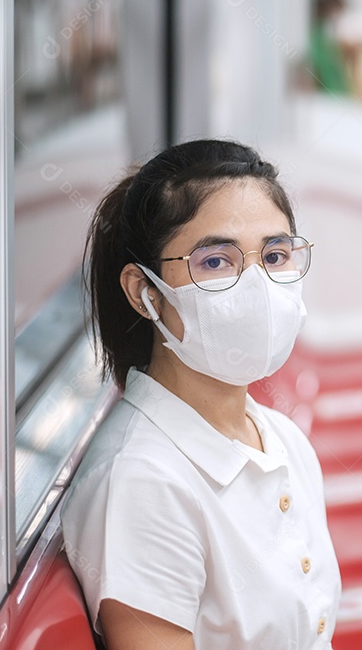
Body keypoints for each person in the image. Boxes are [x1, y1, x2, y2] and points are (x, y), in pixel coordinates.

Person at [60, 140, 340, 649]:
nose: (257, 286)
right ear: (144, 293)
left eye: (275, 255)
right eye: (216, 262)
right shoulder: (142, 484)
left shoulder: (281, 440)